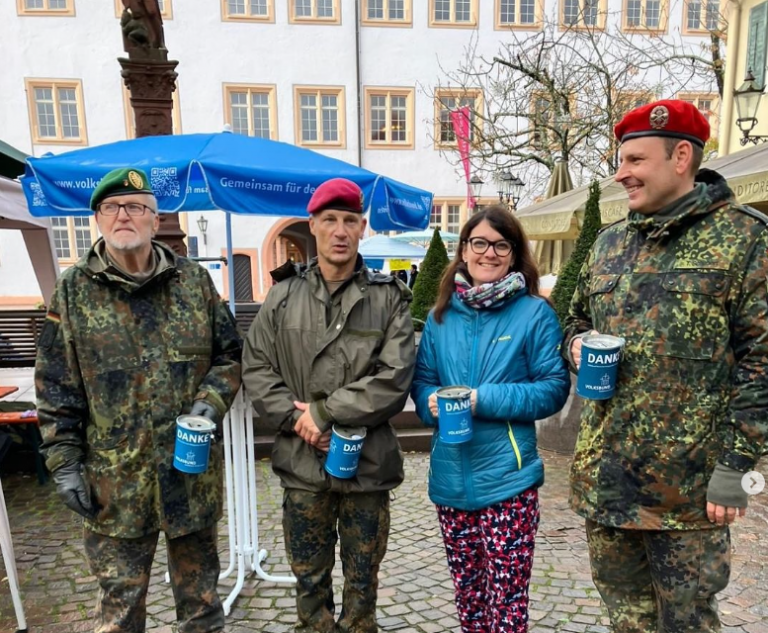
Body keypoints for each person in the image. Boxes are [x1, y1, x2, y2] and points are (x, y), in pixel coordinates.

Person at [565, 100, 768, 632]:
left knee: (688, 623)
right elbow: (575, 318)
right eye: (620, 160)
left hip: (689, 492)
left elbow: (762, 363)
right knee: (627, 623)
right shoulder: (609, 243)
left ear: (681, 156)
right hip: (607, 483)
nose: (621, 173)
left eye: (634, 160)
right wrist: (577, 345)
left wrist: (736, 465)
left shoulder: (746, 239)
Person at [36, 167, 243, 633]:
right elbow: (55, 385)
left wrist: (211, 401)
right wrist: (64, 461)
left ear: (154, 219)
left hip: (189, 478)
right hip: (115, 484)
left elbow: (230, 355)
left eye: (135, 207)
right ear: (98, 219)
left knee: (202, 608)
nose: (122, 215)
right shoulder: (72, 292)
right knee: (120, 612)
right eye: (111, 207)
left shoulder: (194, 283)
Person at [241, 177, 415, 633]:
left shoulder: (388, 297)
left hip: (367, 465)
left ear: (362, 228)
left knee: (363, 584)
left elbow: (394, 378)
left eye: (350, 221)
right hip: (302, 466)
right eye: (330, 220)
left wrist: (324, 412)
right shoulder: (282, 296)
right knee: (309, 583)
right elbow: (257, 365)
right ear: (313, 226)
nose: (340, 231)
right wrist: (298, 419)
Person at [412, 206, 571, 633]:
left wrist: (480, 399)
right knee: (468, 595)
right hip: (450, 476)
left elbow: (553, 388)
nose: (489, 253)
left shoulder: (534, 313)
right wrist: (429, 400)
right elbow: (423, 381)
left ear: (515, 254)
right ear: (463, 250)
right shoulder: (439, 317)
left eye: (502, 245)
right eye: (479, 242)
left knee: (507, 599)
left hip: (508, 477)